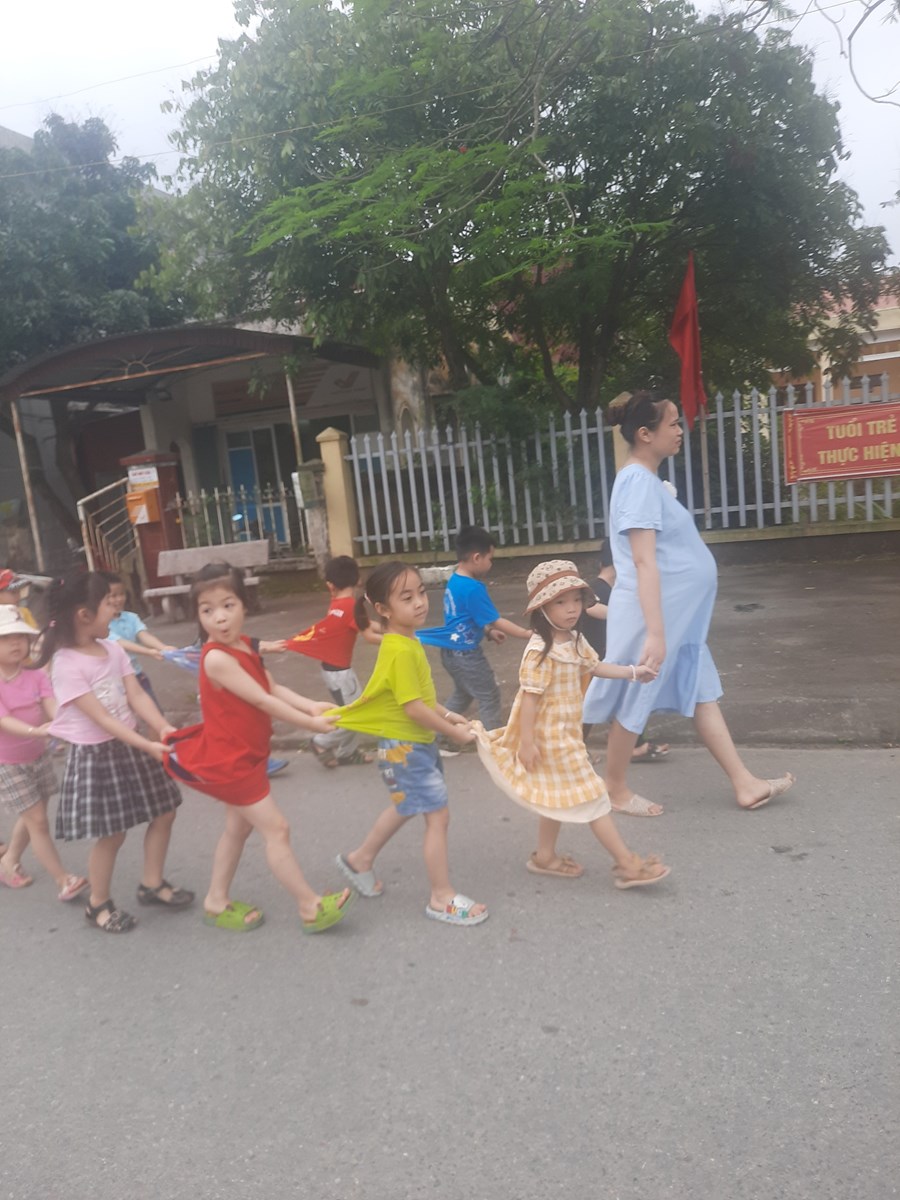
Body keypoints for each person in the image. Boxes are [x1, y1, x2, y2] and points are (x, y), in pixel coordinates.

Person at [583, 391, 795, 816]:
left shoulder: (645, 481)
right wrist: (656, 633)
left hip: (675, 616)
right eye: (673, 424)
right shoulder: (637, 482)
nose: (680, 431)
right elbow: (643, 561)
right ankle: (615, 788)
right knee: (635, 693)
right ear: (645, 434)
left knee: (700, 692)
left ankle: (744, 783)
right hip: (652, 615)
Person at [163, 563, 354, 934]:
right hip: (231, 762)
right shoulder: (217, 658)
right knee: (277, 829)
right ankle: (310, 906)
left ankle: (216, 900)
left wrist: (312, 706)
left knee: (237, 829)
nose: (219, 618)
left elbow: (273, 688)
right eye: (207, 610)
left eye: (228, 605)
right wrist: (311, 725)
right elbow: (263, 701)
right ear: (198, 615)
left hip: (247, 755)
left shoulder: (243, 645)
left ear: (244, 604)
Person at [473, 561, 670, 888]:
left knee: (555, 795)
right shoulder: (539, 650)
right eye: (560, 602)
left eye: (577, 600)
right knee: (594, 797)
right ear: (542, 607)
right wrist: (526, 743)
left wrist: (634, 672)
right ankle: (627, 864)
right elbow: (529, 699)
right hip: (550, 739)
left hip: (568, 733)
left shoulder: (575, 640)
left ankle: (544, 856)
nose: (572, 608)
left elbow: (595, 667)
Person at [332, 562, 488, 926]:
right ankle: (441, 897)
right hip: (407, 748)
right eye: (406, 597)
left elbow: (420, 697)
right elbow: (413, 708)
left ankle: (359, 860)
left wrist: (450, 715)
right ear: (383, 609)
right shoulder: (400, 649)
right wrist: (454, 733)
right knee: (438, 816)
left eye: (420, 592)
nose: (419, 602)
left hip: (410, 745)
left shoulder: (406, 641)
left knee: (407, 806)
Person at [37, 574, 194, 933]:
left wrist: (162, 727)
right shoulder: (66, 665)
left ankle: (151, 883)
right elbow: (103, 719)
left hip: (131, 742)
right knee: (113, 833)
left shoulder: (112, 648)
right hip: (98, 755)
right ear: (84, 614)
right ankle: (98, 904)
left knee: (165, 811)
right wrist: (147, 744)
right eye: (108, 603)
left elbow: (136, 695)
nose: (115, 609)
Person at [0, 605, 88, 900]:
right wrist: (37, 731)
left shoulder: (35, 674)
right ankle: (63, 880)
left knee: (33, 815)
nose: (15, 643)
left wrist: (63, 723)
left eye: (19, 636)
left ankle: (9, 861)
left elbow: (51, 703)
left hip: (38, 756)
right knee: (37, 819)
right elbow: (4, 720)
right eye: (5, 638)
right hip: (7, 763)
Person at [418, 525, 530, 735]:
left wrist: (487, 632)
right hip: (466, 655)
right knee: (489, 696)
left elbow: (464, 616)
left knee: (463, 694)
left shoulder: (455, 580)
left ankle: (437, 735)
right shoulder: (473, 588)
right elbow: (497, 620)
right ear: (477, 557)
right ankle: (492, 741)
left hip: (451, 652)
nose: (491, 564)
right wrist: (526, 634)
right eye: (490, 558)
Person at [271, 555, 381, 768]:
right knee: (356, 714)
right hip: (341, 674)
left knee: (352, 710)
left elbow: (364, 623)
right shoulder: (350, 605)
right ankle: (321, 742)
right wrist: (398, 638)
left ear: (331, 585)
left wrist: (390, 629)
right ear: (358, 580)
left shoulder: (338, 603)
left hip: (334, 670)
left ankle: (348, 753)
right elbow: (368, 634)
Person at [582, 540, 670, 763]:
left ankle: (634, 746)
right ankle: (578, 751)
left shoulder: (617, 590)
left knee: (622, 701)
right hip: (593, 660)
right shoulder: (597, 587)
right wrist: (621, 614)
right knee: (589, 708)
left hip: (608, 658)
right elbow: (590, 607)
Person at [101, 571, 175, 707]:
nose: (119, 599)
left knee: (154, 711)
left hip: (136, 674)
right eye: (113, 596)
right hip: (115, 681)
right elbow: (119, 643)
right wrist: (149, 652)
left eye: (121, 594)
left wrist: (162, 647)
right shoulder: (100, 624)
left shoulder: (131, 617)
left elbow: (143, 635)